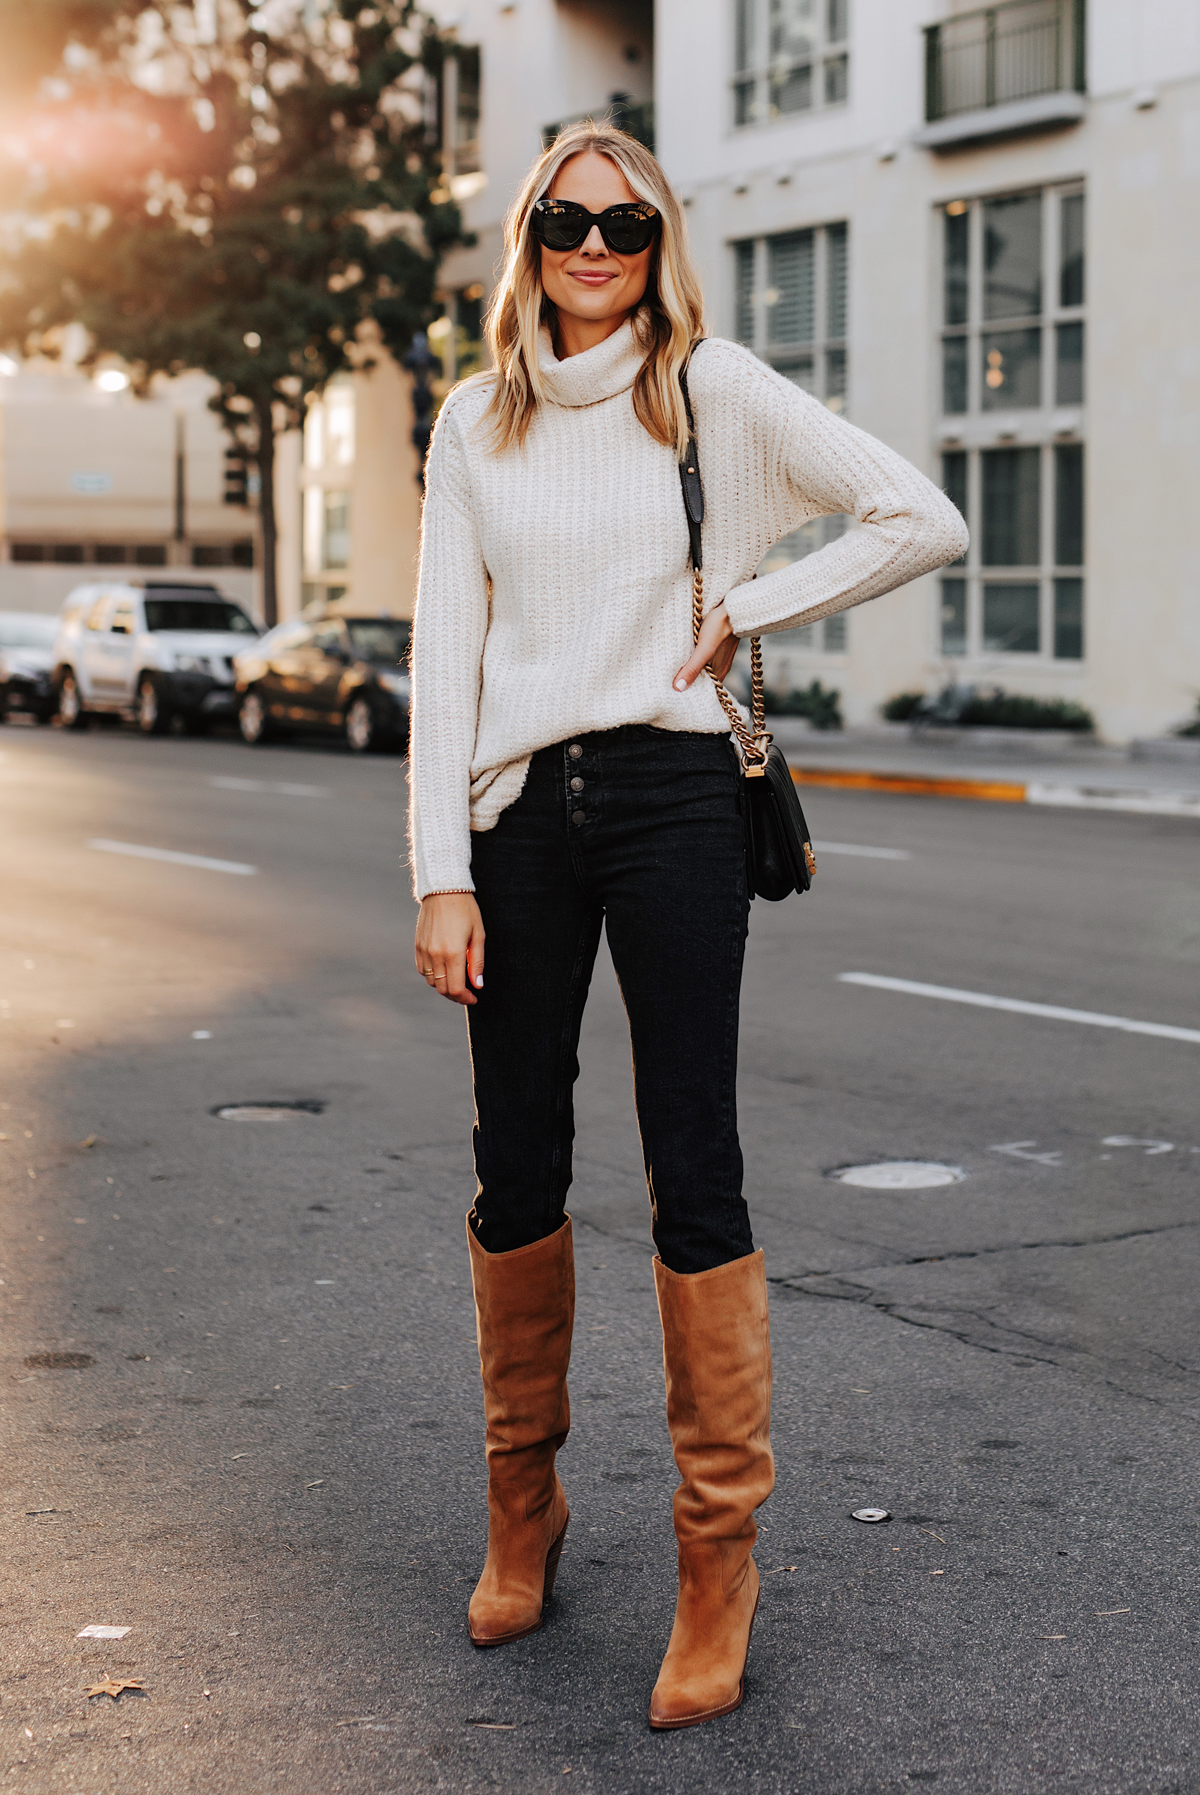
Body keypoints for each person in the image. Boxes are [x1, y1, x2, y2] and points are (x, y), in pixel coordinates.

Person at [409, 120, 968, 1729]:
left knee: (692, 1164)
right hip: (519, 819)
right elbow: (447, 659)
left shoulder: (707, 392)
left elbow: (915, 514)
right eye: (570, 221)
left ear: (662, 241)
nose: (597, 247)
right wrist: (437, 871)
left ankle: (717, 1561)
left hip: (672, 808)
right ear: (531, 236)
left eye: (628, 225)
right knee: (515, 1162)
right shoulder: (474, 422)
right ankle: (528, 1507)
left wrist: (751, 605)